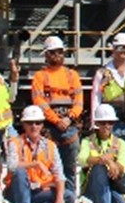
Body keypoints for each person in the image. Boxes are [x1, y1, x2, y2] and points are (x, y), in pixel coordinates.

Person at [30, 36, 85, 184]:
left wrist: (69, 118)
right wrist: (56, 120)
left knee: (70, 169)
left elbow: (79, 101)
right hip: (49, 128)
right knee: (47, 167)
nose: (57, 55)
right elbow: (38, 101)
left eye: (60, 52)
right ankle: (49, 201)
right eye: (53, 52)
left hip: (70, 127)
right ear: (46, 55)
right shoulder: (40, 76)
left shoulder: (72, 75)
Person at [76, 103, 125, 203]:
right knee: (99, 168)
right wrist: (105, 160)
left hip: (112, 186)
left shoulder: (121, 143)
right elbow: (82, 159)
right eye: (103, 123)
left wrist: (114, 165)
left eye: (110, 123)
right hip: (91, 187)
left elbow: (122, 167)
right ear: (97, 124)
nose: (107, 126)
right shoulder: (87, 141)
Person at [6, 105, 65, 203]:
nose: (34, 126)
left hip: (40, 190)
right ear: (23, 125)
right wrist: (36, 163)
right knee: (20, 172)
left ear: (42, 125)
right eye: (30, 123)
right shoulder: (15, 143)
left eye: (37, 123)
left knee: (67, 196)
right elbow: (12, 166)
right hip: (17, 190)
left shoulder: (50, 146)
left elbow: (59, 174)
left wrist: (60, 199)